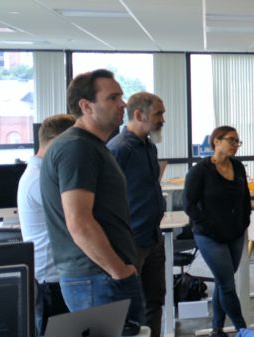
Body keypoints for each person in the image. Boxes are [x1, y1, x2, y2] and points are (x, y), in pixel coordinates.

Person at [41, 69, 144, 336]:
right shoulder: (77, 148)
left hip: (100, 277)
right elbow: (80, 223)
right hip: (97, 278)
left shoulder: (93, 145)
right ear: (86, 106)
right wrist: (118, 271)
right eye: (113, 98)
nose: (123, 104)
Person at [106, 92, 167, 337]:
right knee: (131, 309)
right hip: (130, 241)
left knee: (155, 301)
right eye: (159, 114)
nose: (163, 119)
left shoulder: (148, 146)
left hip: (153, 237)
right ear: (139, 115)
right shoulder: (119, 149)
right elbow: (106, 198)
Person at [184, 126, 252, 337]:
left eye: (237, 141)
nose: (235, 145)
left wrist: (244, 221)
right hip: (210, 236)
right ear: (216, 141)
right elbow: (189, 204)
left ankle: (217, 329)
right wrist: (207, 225)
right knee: (228, 285)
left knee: (224, 281)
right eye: (231, 140)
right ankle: (243, 330)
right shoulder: (200, 170)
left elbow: (245, 198)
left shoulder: (238, 167)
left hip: (235, 234)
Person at [18, 113, 75, 336]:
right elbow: (76, 217)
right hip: (51, 278)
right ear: (55, 141)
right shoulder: (38, 178)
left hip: (56, 273)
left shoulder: (45, 173)